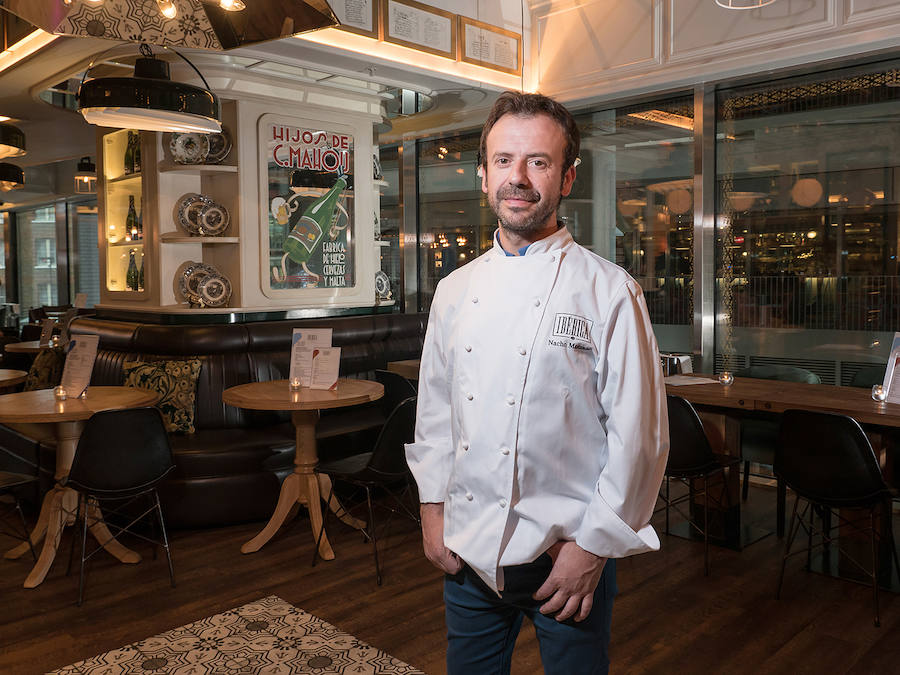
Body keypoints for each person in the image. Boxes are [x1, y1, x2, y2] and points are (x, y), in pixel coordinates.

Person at [405, 91, 669, 675]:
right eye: (503, 161)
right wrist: (431, 514)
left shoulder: (610, 291)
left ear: (567, 176)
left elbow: (640, 440)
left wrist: (593, 549)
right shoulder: (454, 290)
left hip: (565, 559)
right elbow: (436, 415)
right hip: (469, 553)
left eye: (538, 162)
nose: (517, 178)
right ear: (482, 175)